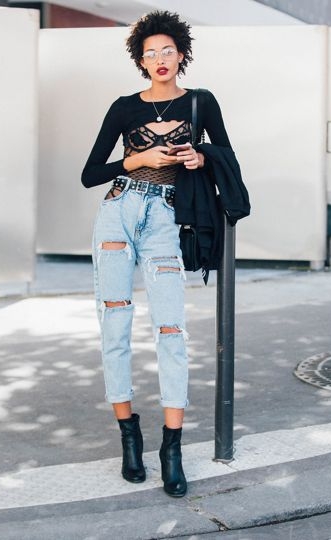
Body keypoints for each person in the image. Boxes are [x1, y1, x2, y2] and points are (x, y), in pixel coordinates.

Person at [80, 10, 233, 498]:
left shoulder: (200, 103)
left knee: (172, 329)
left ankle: (172, 447)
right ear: (140, 61)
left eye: (167, 50)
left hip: (168, 218)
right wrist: (137, 158)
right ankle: (129, 435)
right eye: (150, 53)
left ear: (182, 54)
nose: (159, 59)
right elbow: (90, 173)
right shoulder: (125, 107)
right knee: (115, 324)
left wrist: (200, 156)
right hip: (118, 212)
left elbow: (227, 155)